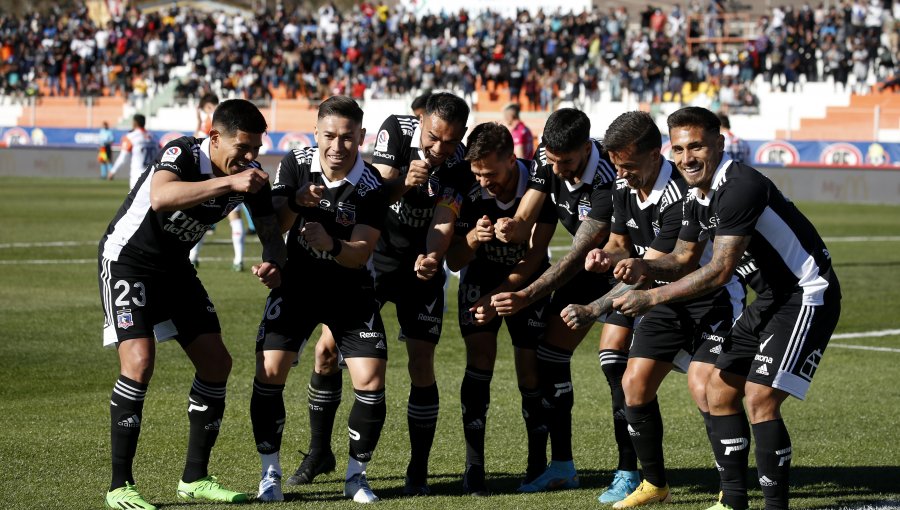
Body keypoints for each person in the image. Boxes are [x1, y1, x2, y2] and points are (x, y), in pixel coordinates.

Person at [611, 106, 841, 510]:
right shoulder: (698, 194)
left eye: (696, 146)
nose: (687, 158)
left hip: (806, 293)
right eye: (679, 149)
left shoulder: (737, 187)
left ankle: (775, 506)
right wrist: (644, 265)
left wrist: (650, 297)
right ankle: (733, 501)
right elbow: (683, 257)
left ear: (719, 143)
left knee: (759, 398)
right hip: (771, 298)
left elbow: (719, 270)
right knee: (718, 390)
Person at [98, 99, 287, 510]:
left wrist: (274, 260)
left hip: (174, 268)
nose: (251, 157)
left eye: (257, 148)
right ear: (214, 138)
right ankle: (119, 485)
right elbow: (162, 196)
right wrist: (230, 185)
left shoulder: (249, 175)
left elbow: (270, 230)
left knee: (217, 363)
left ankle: (195, 478)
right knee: (139, 361)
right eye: (243, 148)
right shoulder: (183, 151)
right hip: (129, 261)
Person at [286, 92, 473, 496]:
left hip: (421, 265)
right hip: (374, 258)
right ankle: (319, 452)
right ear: (420, 121)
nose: (440, 149)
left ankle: (418, 469)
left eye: (451, 141)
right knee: (326, 351)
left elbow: (444, 216)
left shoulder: (461, 162)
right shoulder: (395, 131)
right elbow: (374, 196)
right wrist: (404, 181)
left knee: (421, 363)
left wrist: (433, 256)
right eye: (434, 138)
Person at [560, 111, 745, 507]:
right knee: (633, 383)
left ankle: (730, 490)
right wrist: (602, 256)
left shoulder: (680, 193)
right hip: (661, 299)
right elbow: (618, 244)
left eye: (628, 165)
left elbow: (664, 262)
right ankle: (654, 484)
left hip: (709, 300)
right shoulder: (627, 188)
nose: (621, 174)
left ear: (654, 155)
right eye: (615, 165)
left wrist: (595, 307)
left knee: (704, 388)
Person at [251, 96, 389, 504]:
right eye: (329, 135)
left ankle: (356, 477)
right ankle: (269, 473)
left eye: (348, 138)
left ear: (361, 138)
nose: (337, 146)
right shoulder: (295, 162)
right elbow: (273, 224)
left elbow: (361, 252)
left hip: (350, 289)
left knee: (371, 378)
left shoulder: (373, 187)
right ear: (316, 133)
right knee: (270, 368)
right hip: (296, 285)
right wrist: (294, 208)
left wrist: (331, 244)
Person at [489, 108, 620, 492]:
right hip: (585, 273)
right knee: (550, 357)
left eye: (567, 161)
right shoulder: (548, 161)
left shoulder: (607, 179)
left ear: (585, 148)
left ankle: (633, 470)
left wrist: (527, 295)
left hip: (623, 272)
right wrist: (512, 226)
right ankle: (563, 466)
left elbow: (580, 253)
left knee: (619, 367)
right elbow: (526, 213)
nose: (558, 167)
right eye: (552, 159)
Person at [445, 122, 557, 496]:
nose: (484, 182)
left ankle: (537, 464)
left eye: (490, 173)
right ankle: (473, 468)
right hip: (479, 281)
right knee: (479, 361)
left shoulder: (541, 185)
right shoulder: (468, 186)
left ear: (512, 159)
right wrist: (474, 237)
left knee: (530, 371)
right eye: (477, 174)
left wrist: (499, 299)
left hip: (526, 284)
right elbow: (457, 259)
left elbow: (535, 256)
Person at [189, 92, 254, 271]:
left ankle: (193, 256)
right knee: (235, 216)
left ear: (208, 107)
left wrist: (198, 121)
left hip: (211, 174)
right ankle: (238, 260)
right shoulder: (229, 119)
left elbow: (197, 141)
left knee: (201, 217)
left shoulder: (212, 122)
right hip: (231, 172)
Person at [107, 113, 157, 190]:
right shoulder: (154, 137)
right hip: (152, 176)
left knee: (136, 201)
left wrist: (113, 171)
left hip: (137, 176)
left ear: (134, 123)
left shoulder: (130, 137)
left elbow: (123, 158)